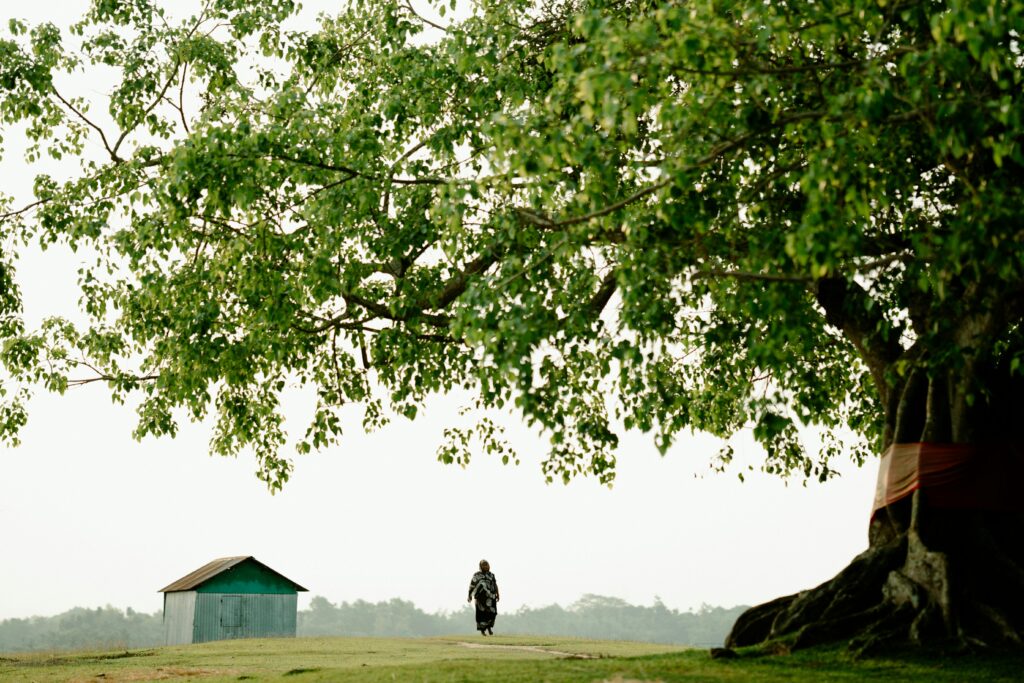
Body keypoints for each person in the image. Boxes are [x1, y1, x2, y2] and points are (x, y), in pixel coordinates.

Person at [467, 559, 499, 635]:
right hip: (480, 599)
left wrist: (498, 594)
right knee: (481, 615)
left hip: (491, 598)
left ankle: (489, 628)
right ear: (480, 566)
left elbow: (495, 584)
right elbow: (472, 586)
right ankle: (482, 631)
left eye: (487, 564)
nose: (486, 566)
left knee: (492, 613)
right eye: (484, 565)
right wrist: (469, 595)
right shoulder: (477, 575)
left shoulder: (491, 575)